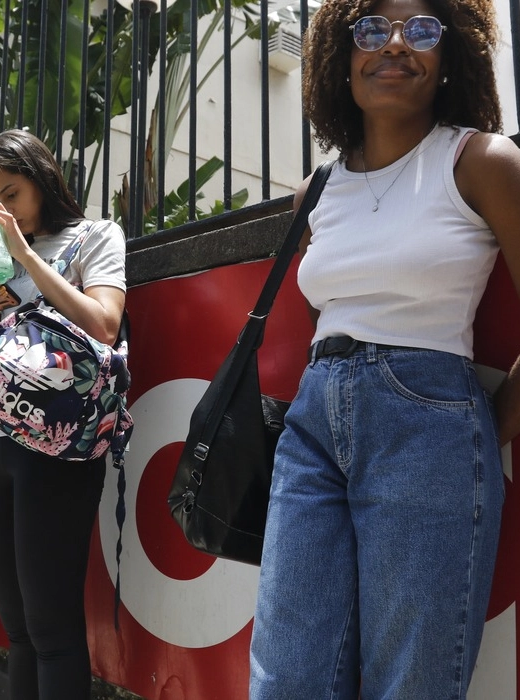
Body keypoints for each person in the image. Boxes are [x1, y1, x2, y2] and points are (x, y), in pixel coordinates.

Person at [249, 1, 520, 698]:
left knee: (411, 683)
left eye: (420, 30)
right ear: (340, 63)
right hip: (310, 424)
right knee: (286, 678)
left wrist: (483, 433)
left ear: (448, 55)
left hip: (428, 422)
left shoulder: (479, 160)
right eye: (371, 30)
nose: (394, 44)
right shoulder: (315, 192)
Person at [0, 129, 127, 700]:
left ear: (43, 181)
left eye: (13, 194)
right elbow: (9, 359)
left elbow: (104, 326)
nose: (2, 210)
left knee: (52, 629)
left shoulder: (94, 236)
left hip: (60, 442)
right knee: (19, 632)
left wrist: (27, 255)